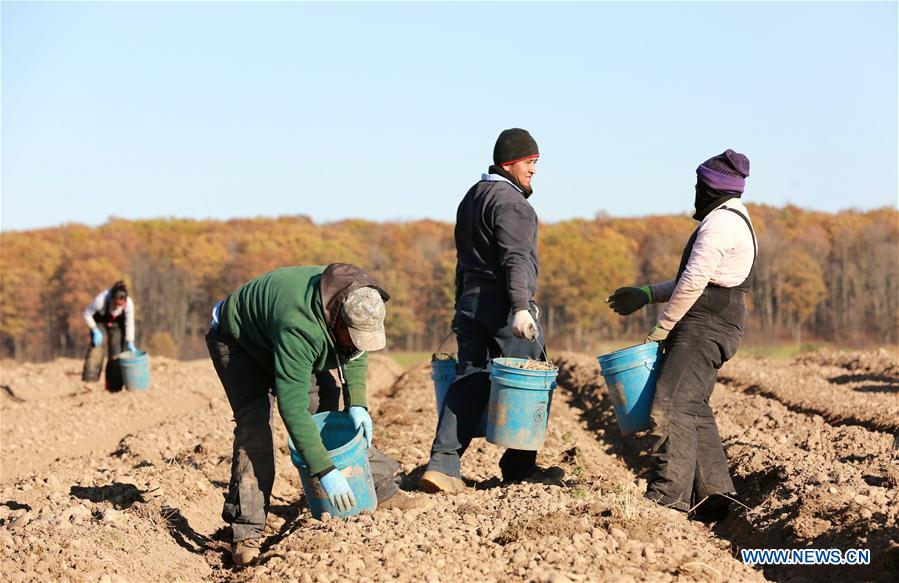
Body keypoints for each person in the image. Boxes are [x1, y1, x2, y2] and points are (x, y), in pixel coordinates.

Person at [206, 263, 421, 567]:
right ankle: (246, 530)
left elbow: (355, 354)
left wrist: (357, 402)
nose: (359, 344)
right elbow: (292, 408)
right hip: (240, 342)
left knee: (326, 407)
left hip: (278, 335)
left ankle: (376, 489)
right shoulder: (301, 328)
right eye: (353, 336)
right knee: (254, 426)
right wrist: (325, 469)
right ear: (338, 324)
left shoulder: (359, 296)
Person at [608, 149, 756, 521]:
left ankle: (668, 495)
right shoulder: (732, 219)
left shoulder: (720, 225)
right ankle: (715, 493)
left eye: (698, 185)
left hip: (706, 325)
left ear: (711, 188)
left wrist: (662, 327)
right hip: (714, 319)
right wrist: (646, 294)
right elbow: (693, 280)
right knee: (692, 406)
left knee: (670, 404)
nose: (694, 192)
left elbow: (693, 282)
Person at [420, 128, 562, 494]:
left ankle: (443, 465)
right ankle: (520, 468)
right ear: (510, 163)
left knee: (468, 380)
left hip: (472, 302)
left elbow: (461, 260)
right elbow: (515, 259)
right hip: (503, 307)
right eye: (530, 163)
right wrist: (519, 308)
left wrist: (459, 303)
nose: (534, 170)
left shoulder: (473, 196)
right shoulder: (514, 204)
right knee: (533, 380)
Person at [82, 280, 138, 389]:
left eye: (120, 305)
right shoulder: (101, 300)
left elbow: (129, 324)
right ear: (111, 299)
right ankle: (90, 382)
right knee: (97, 348)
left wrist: (130, 341)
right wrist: (95, 330)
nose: (118, 307)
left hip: (116, 326)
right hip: (99, 323)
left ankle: (113, 386)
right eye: (116, 304)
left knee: (116, 355)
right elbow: (87, 314)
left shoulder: (129, 304)